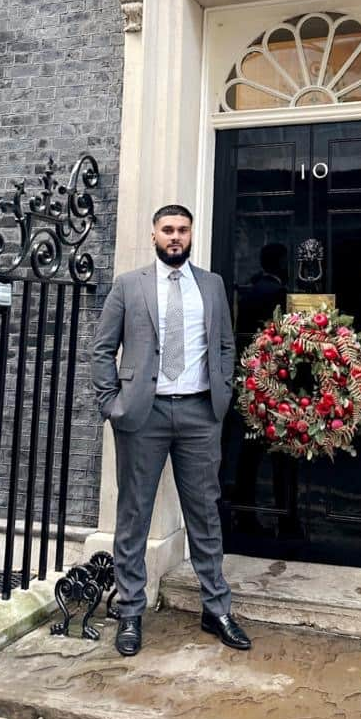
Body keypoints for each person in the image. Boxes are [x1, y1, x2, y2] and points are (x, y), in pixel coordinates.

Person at [92, 203, 251, 656]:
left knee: (204, 511)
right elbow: (102, 349)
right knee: (134, 515)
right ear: (154, 234)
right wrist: (111, 404)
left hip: (201, 413)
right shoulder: (129, 286)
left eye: (182, 229)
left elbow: (224, 343)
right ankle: (129, 611)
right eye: (168, 230)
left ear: (192, 233)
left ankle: (216, 608)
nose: (175, 237)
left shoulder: (212, 284)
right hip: (144, 415)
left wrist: (223, 389)